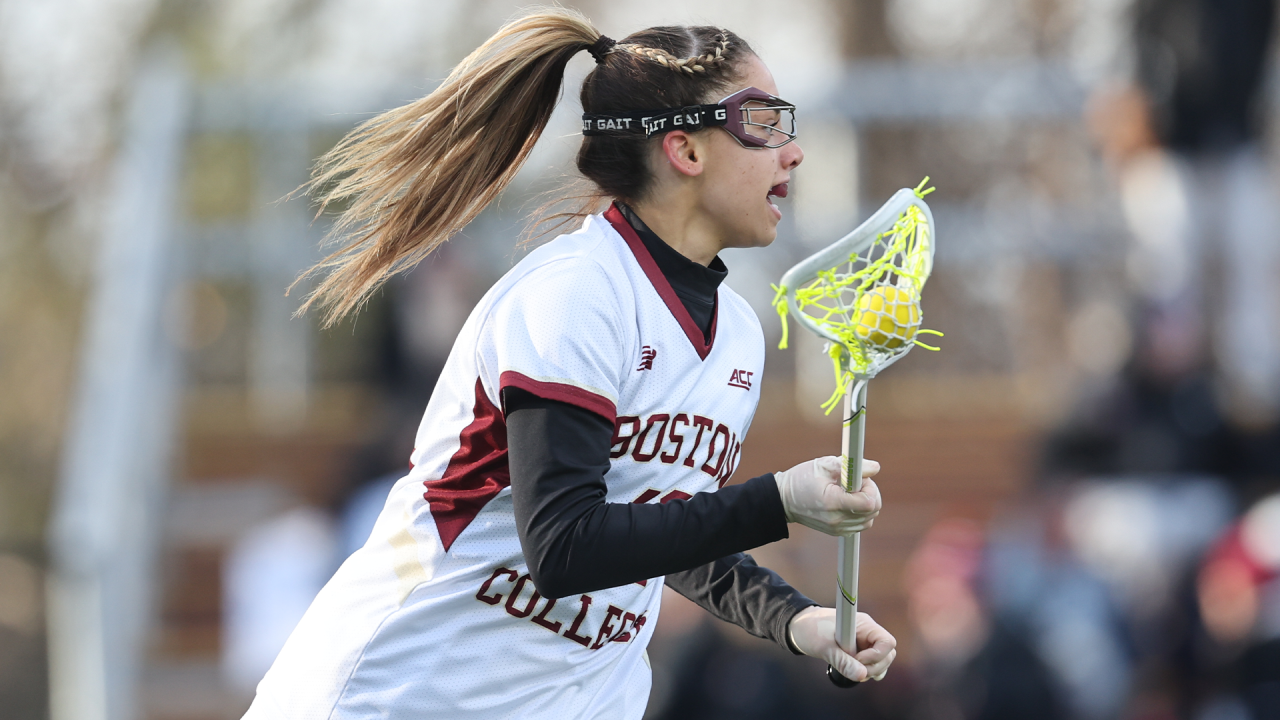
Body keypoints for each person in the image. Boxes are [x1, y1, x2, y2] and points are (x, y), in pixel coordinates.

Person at [242, 9, 897, 719]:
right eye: (763, 120)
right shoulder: (576, 295)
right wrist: (778, 502)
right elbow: (566, 545)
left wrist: (789, 618)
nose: (791, 151)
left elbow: (655, 518)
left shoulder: (737, 333)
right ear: (685, 148)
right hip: (404, 694)